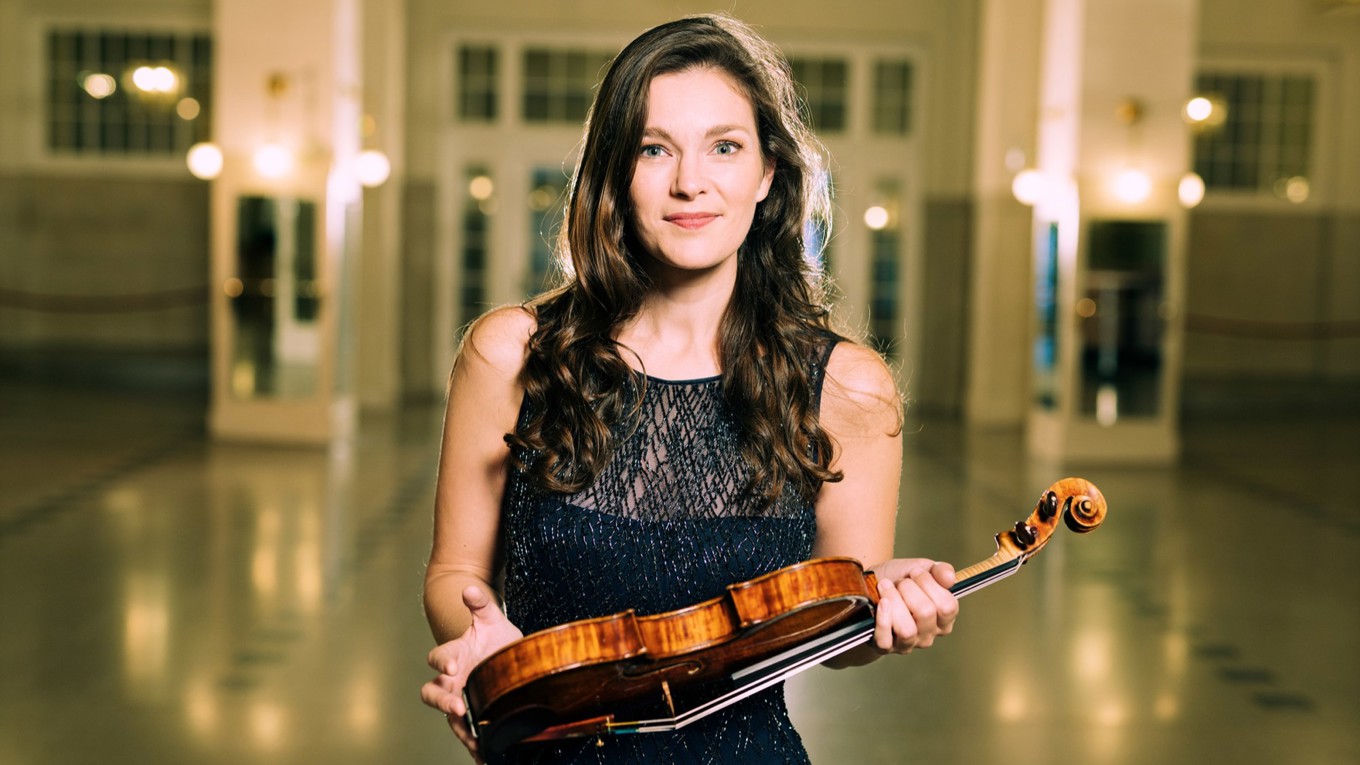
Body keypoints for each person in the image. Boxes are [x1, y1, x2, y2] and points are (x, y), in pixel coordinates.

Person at [419, 13, 959, 764]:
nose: (690, 182)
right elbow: (455, 573)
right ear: (614, 172)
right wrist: (486, 648)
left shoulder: (849, 388)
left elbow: (837, 639)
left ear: (767, 173)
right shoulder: (511, 353)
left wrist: (885, 606)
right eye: (653, 149)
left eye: (725, 147)